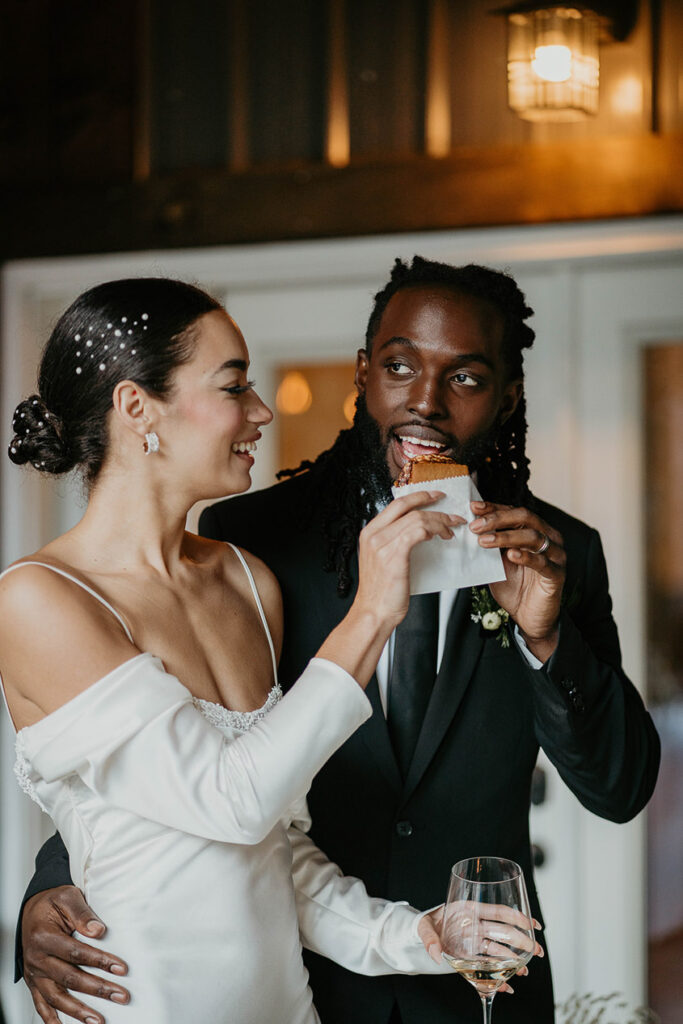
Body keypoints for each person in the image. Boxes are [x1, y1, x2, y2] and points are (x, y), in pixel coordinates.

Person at [15, 258, 659, 1023]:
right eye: (398, 366)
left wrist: (547, 637)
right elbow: (136, 773)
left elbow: (618, 789)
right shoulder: (255, 539)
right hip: (301, 982)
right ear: (363, 373)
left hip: (464, 984)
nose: (424, 401)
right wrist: (51, 887)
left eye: (465, 377)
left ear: (505, 396)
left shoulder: (557, 554)